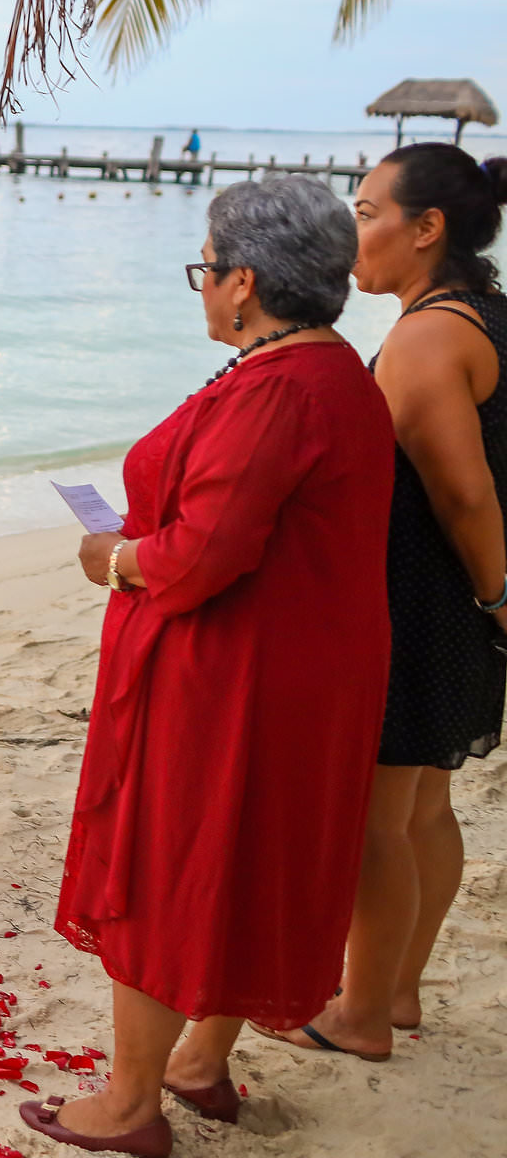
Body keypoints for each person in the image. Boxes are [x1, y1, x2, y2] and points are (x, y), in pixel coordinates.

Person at [19, 176, 396, 1157]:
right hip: (305, 657)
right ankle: (198, 1060)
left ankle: (133, 1100)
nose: (202, 288)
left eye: (206, 268)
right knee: (248, 856)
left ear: (246, 281)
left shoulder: (280, 389)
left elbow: (200, 555)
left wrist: (116, 558)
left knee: (172, 859)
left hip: (240, 672)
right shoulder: (333, 371)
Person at [259, 144, 507, 1061]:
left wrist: (500, 599)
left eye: (367, 212)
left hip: (425, 602)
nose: (352, 231)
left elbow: (464, 493)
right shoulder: (484, 312)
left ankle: (361, 1014)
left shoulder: (427, 333)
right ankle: (394, 990)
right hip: (452, 603)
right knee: (424, 811)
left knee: (377, 822)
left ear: (427, 228)